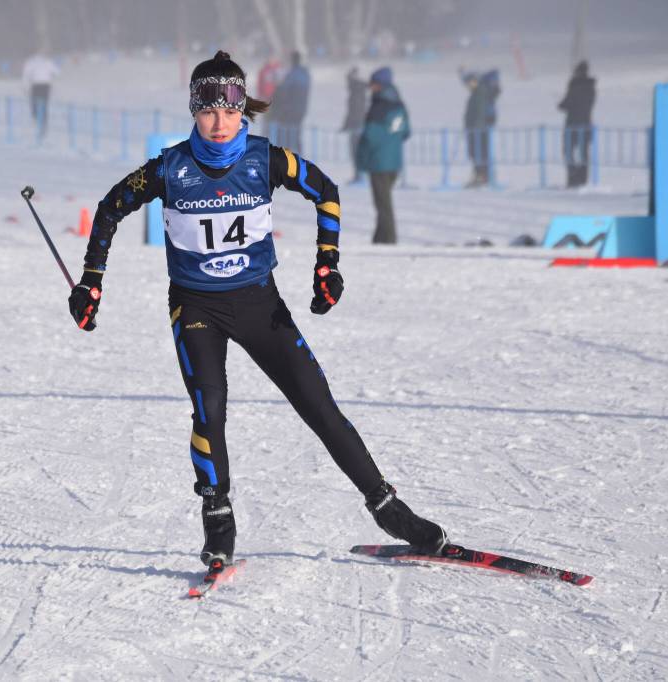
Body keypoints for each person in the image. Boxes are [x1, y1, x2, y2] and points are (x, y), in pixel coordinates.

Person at [67, 51, 448, 573]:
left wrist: (327, 266)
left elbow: (326, 191)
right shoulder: (169, 168)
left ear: (242, 109)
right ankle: (218, 522)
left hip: (258, 304)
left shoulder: (265, 159)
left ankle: (390, 511)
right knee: (210, 407)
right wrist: (91, 281)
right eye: (208, 112)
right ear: (194, 111)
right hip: (197, 306)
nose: (219, 124)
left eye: (229, 111)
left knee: (319, 406)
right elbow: (110, 209)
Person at [355, 67, 410, 245]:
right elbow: (406, 132)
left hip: (379, 161)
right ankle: (379, 237)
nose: (370, 88)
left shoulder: (379, 106)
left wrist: (362, 153)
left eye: (373, 84)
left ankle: (388, 239)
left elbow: (370, 135)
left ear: (380, 85)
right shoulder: (399, 105)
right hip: (394, 162)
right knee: (383, 202)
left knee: (383, 204)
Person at [558, 60, 596, 188]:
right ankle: (582, 179)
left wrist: (562, 104)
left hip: (572, 124)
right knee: (583, 153)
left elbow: (567, 103)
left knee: (568, 151)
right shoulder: (591, 87)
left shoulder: (575, 86)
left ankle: (573, 178)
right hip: (586, 124)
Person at [461, 68, 501, 187]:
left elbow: (479, 111)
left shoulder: (480, 92)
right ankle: (481, 175)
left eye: (469, 82)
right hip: (478, 129)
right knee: (478, 153)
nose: (468, 86)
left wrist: (475, 127)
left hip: (478, 129)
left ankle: (482, 176)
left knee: (479, 153)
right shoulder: (479, 92)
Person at [269, 50, 311, 153]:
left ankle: (287, 154)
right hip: (301, 108)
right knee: (296, 132)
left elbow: (284, 90)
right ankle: (297, 152)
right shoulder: (304, 74)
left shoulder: (292, 75)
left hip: (290, 109)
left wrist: (278, 86)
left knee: (286, 133)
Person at [21, 51, 58, 140]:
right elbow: (57, 72)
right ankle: (44, 122)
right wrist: (49, 75)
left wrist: (25, 86)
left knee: (34, 102)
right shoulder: (48, 62)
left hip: (36, 85)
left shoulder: (31, 62)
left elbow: (26, 74)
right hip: (46, 85)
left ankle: (36, 118)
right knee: (44, 103)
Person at [341, 67, 368, 185]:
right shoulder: (357, 91)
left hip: (357, 126)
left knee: (356, 152)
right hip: (358, 125)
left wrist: (349, 124)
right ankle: (358, 175)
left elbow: (354, 111)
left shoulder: (356, 93)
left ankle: (359, 176)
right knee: (356, 152)